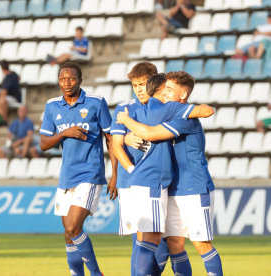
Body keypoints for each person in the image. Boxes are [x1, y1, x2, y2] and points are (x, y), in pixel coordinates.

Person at [117, 71, 223, 276]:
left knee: (201, 244)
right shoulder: (166, 112)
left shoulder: (184, 117)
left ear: (182, 95)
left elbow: (149, 133)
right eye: (164, 88)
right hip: (173, 188)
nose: (164, 93)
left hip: (194, 186)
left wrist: (126, 122)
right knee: (174, 243)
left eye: (170, 89)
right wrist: (128, 137)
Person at [39, 62, 117, 276]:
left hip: (90, 174)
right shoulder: (52, 105)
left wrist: (115, 174)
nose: (66, 83)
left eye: (71, 78)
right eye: (62, 79)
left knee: (73, 228)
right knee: (68, 233)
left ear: (80, 80)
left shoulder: (96, 102)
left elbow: (111, 139)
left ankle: (96, 273)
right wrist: (64, 133)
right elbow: (44, 144)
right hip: (67, 176)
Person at [110, 62, 170, 276]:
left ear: (153, 82)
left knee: (163, 244)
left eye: (143, 84)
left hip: (161, 179)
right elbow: (115, 145)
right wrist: (131, 168)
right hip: (133, 181)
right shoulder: (124, 108)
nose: (139, 89)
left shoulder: (164, 105)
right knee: (142, 240)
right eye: (135, 85)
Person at [0, 60, 22, 125]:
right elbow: (19, 78)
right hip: (14, 96)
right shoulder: (13, 74)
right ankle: (2, 120)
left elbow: (4, 92)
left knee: (1, 101)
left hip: (14, 98)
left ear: (2, 68)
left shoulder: (8, 77)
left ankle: (4, 120)